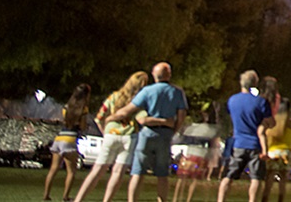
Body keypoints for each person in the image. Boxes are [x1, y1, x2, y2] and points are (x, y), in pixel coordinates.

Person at [106, 62, 188, 202]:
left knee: (138, 171)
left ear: (154, 75)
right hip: (165, 134)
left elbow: (129, 109)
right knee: (162, 174)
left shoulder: (147, 91)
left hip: (147, 133)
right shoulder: (177, 92)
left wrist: (111, 117)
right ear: (169, 75)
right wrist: (174, 130)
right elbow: (181, 115)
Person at [72, 72, 149, 202]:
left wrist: (105, 132)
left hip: (111, 135)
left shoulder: (114, 96)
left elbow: (99, 117)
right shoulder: (140, 101)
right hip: (129, 137)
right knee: (118, 172)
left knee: (97, 170)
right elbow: (142, 118)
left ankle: (79, 199)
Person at [216, 70, 274, 202]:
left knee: (229, 176)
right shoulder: (260, 102)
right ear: (255, 83)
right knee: (256, 178)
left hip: (239, 143)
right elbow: (271, 122)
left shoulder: (232, 100)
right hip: (255, 144)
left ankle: (221, 199)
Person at [44, 83, 92, 202]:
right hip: (70, 140)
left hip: (59, 138)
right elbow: (82, 126)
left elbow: (65, 121)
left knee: (53, 169)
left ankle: (46, 195)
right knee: (71, 172)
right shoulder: (83, 110)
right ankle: (65, 197)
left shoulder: (66, 107)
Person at [260, 80, 291, 202]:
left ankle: (265, 197)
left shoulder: (271, 121)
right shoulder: (288, 122)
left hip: (272, 151)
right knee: (283, 178)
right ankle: (280, 198)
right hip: (285, 151)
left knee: (269, 176)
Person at [172, 105, 219, 202]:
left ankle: (176, 198)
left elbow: (181, 138)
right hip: (201, 155)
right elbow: (213, 145)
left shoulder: (190, 127)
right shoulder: (210, 129)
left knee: (181, 178)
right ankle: (188, 199)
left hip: (188, 154)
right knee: (194, 180)